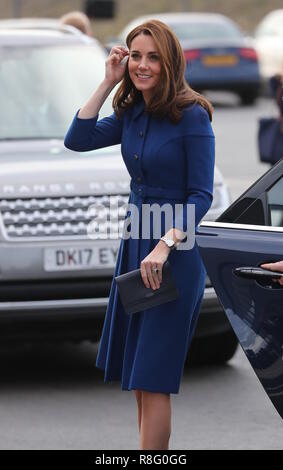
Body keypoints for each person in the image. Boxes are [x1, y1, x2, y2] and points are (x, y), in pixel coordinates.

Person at [64, 20, 215, 450]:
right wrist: (108, 82)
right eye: (135, 56)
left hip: (172, 251)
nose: (142, 65)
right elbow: (77, 139)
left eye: (152, 57)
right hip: (136, 243)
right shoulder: (131, 111)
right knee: (139, 378)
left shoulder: (192, 115)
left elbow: (200, 195)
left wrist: (165, 245)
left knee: (154, 375)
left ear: (170, 62)